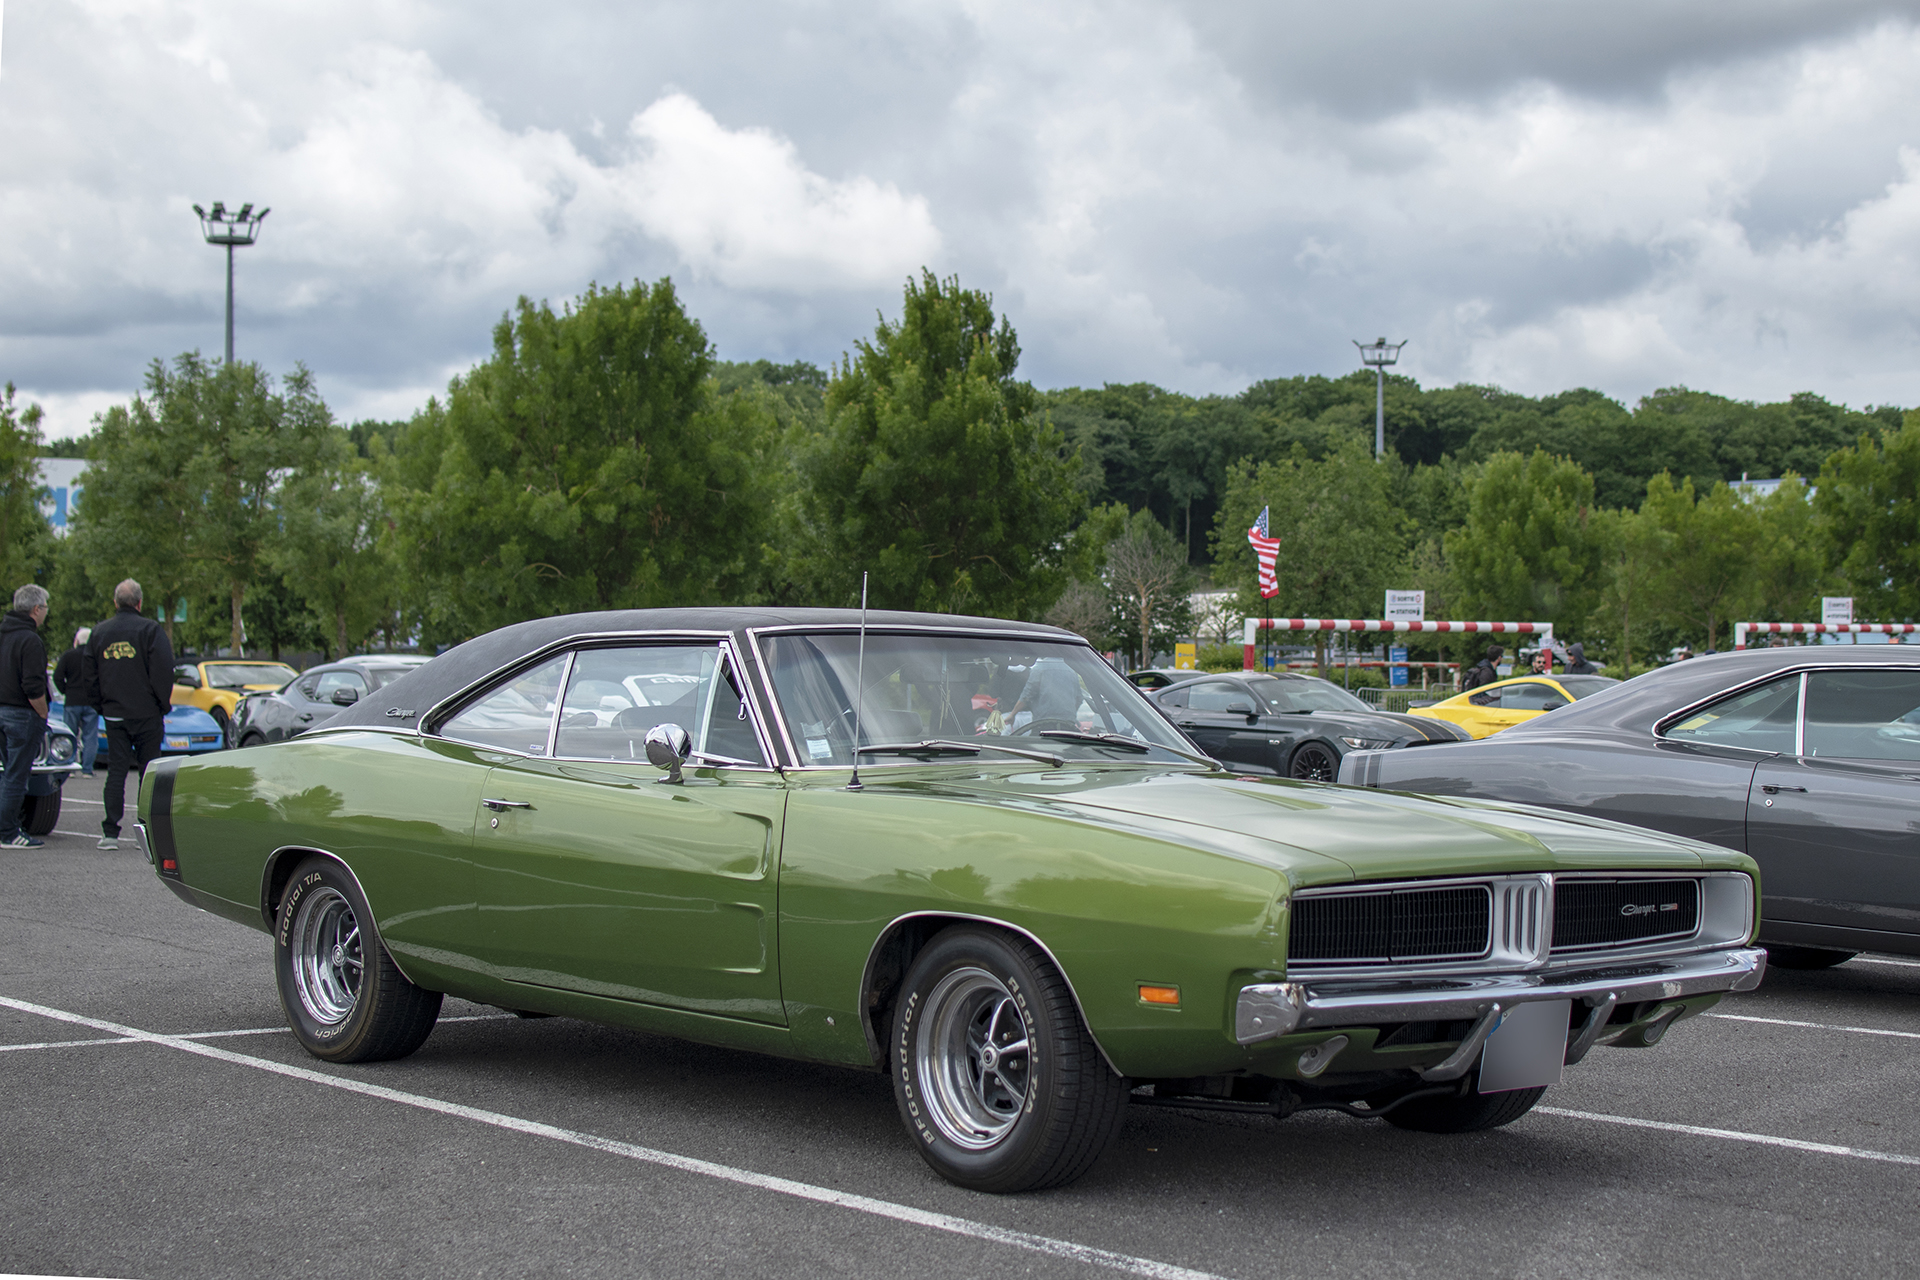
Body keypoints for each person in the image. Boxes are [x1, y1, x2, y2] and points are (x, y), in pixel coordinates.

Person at [83, 579, 174, 852]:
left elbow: (89, 675)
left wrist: (101, 706)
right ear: (140, 602)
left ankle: (110, 832)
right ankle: (145, 832)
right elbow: (163, 670)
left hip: (115, 714)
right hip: (147, 713)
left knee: (116, 771)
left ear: (115, 602)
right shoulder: (151, 630)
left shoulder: (99, 632)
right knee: (148, 774)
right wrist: (162, 704)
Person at [0, 584, 51, 848]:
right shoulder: (30, 640)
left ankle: (7, 826)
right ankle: (8, 832)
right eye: (45, 608)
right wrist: (42, 713)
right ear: (36, 609)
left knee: (6, 773)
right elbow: (33, 685)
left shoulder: (4, 633)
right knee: (17, 775)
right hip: (21, 714)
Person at [52, 626, 98, 777]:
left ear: (77, 640)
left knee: (69, 735)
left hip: (72, 700)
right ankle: (87, 769)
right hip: (91, 701)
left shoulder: (68, 656)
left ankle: (68, 766)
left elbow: (57, 676)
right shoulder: (95, 657)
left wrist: (65, 690)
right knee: (90, 736)